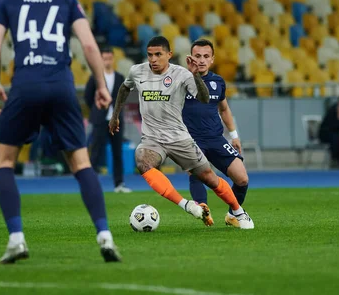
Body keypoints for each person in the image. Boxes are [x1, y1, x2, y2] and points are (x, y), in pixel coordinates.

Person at [0, 0, 121, 264]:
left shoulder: (7, 1)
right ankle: (105, 236)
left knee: (3, 162)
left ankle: (17, 239)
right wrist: (102, 85)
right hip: (61, 85)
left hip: (25, 83)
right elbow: (89, 44)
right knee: (81, 163)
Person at [109, 36, 254, 229]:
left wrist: (194, 75)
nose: (153, 59)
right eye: (150, 55)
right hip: (153, 138)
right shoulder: (137, 71)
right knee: (142, 160)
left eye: (158, 54)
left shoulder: (182, 74)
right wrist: (115, 115)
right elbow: (124, 88)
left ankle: (237, 210)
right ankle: (187, 205)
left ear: (169, 55)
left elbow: (204, 99)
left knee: (210, 178)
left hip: (180, 137)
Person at [182, 39, 252, 228]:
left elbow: (224, 109)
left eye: (206, 56)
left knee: (242, 178)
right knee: (197, 173)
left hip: (216, 139)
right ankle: (202, 208)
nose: (201, 60)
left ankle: (232, 215)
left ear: (212, 59)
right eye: (197, 56)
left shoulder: (217, 81)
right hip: (191, 140)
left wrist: (234, 135)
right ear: (190, 58)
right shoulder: (181, 80)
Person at [84, 46, 132, 193]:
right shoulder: (95, 77)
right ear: (101, 60)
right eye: (104, 59)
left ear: (113, 59)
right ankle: (91, 184)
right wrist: (97, 109)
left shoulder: (119, 77)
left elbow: (124, 97)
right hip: (100, 120)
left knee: (117, 153)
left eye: (109, 58)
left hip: (116, 120)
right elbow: (88, 96)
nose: (107, 61)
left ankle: (119, 184)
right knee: (96, 152)